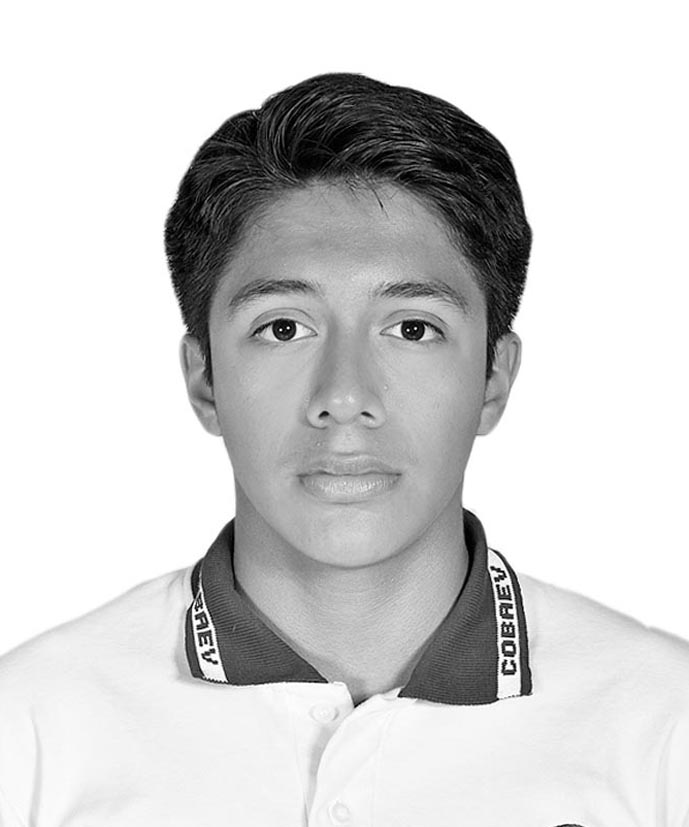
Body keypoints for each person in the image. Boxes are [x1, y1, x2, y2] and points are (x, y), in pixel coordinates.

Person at [0, 72, 687, 827]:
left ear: (493, 377)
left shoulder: (663, 727)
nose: (345, 394)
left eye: (413, 328)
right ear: (205, 379)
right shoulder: (31, 732)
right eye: (283, 327)